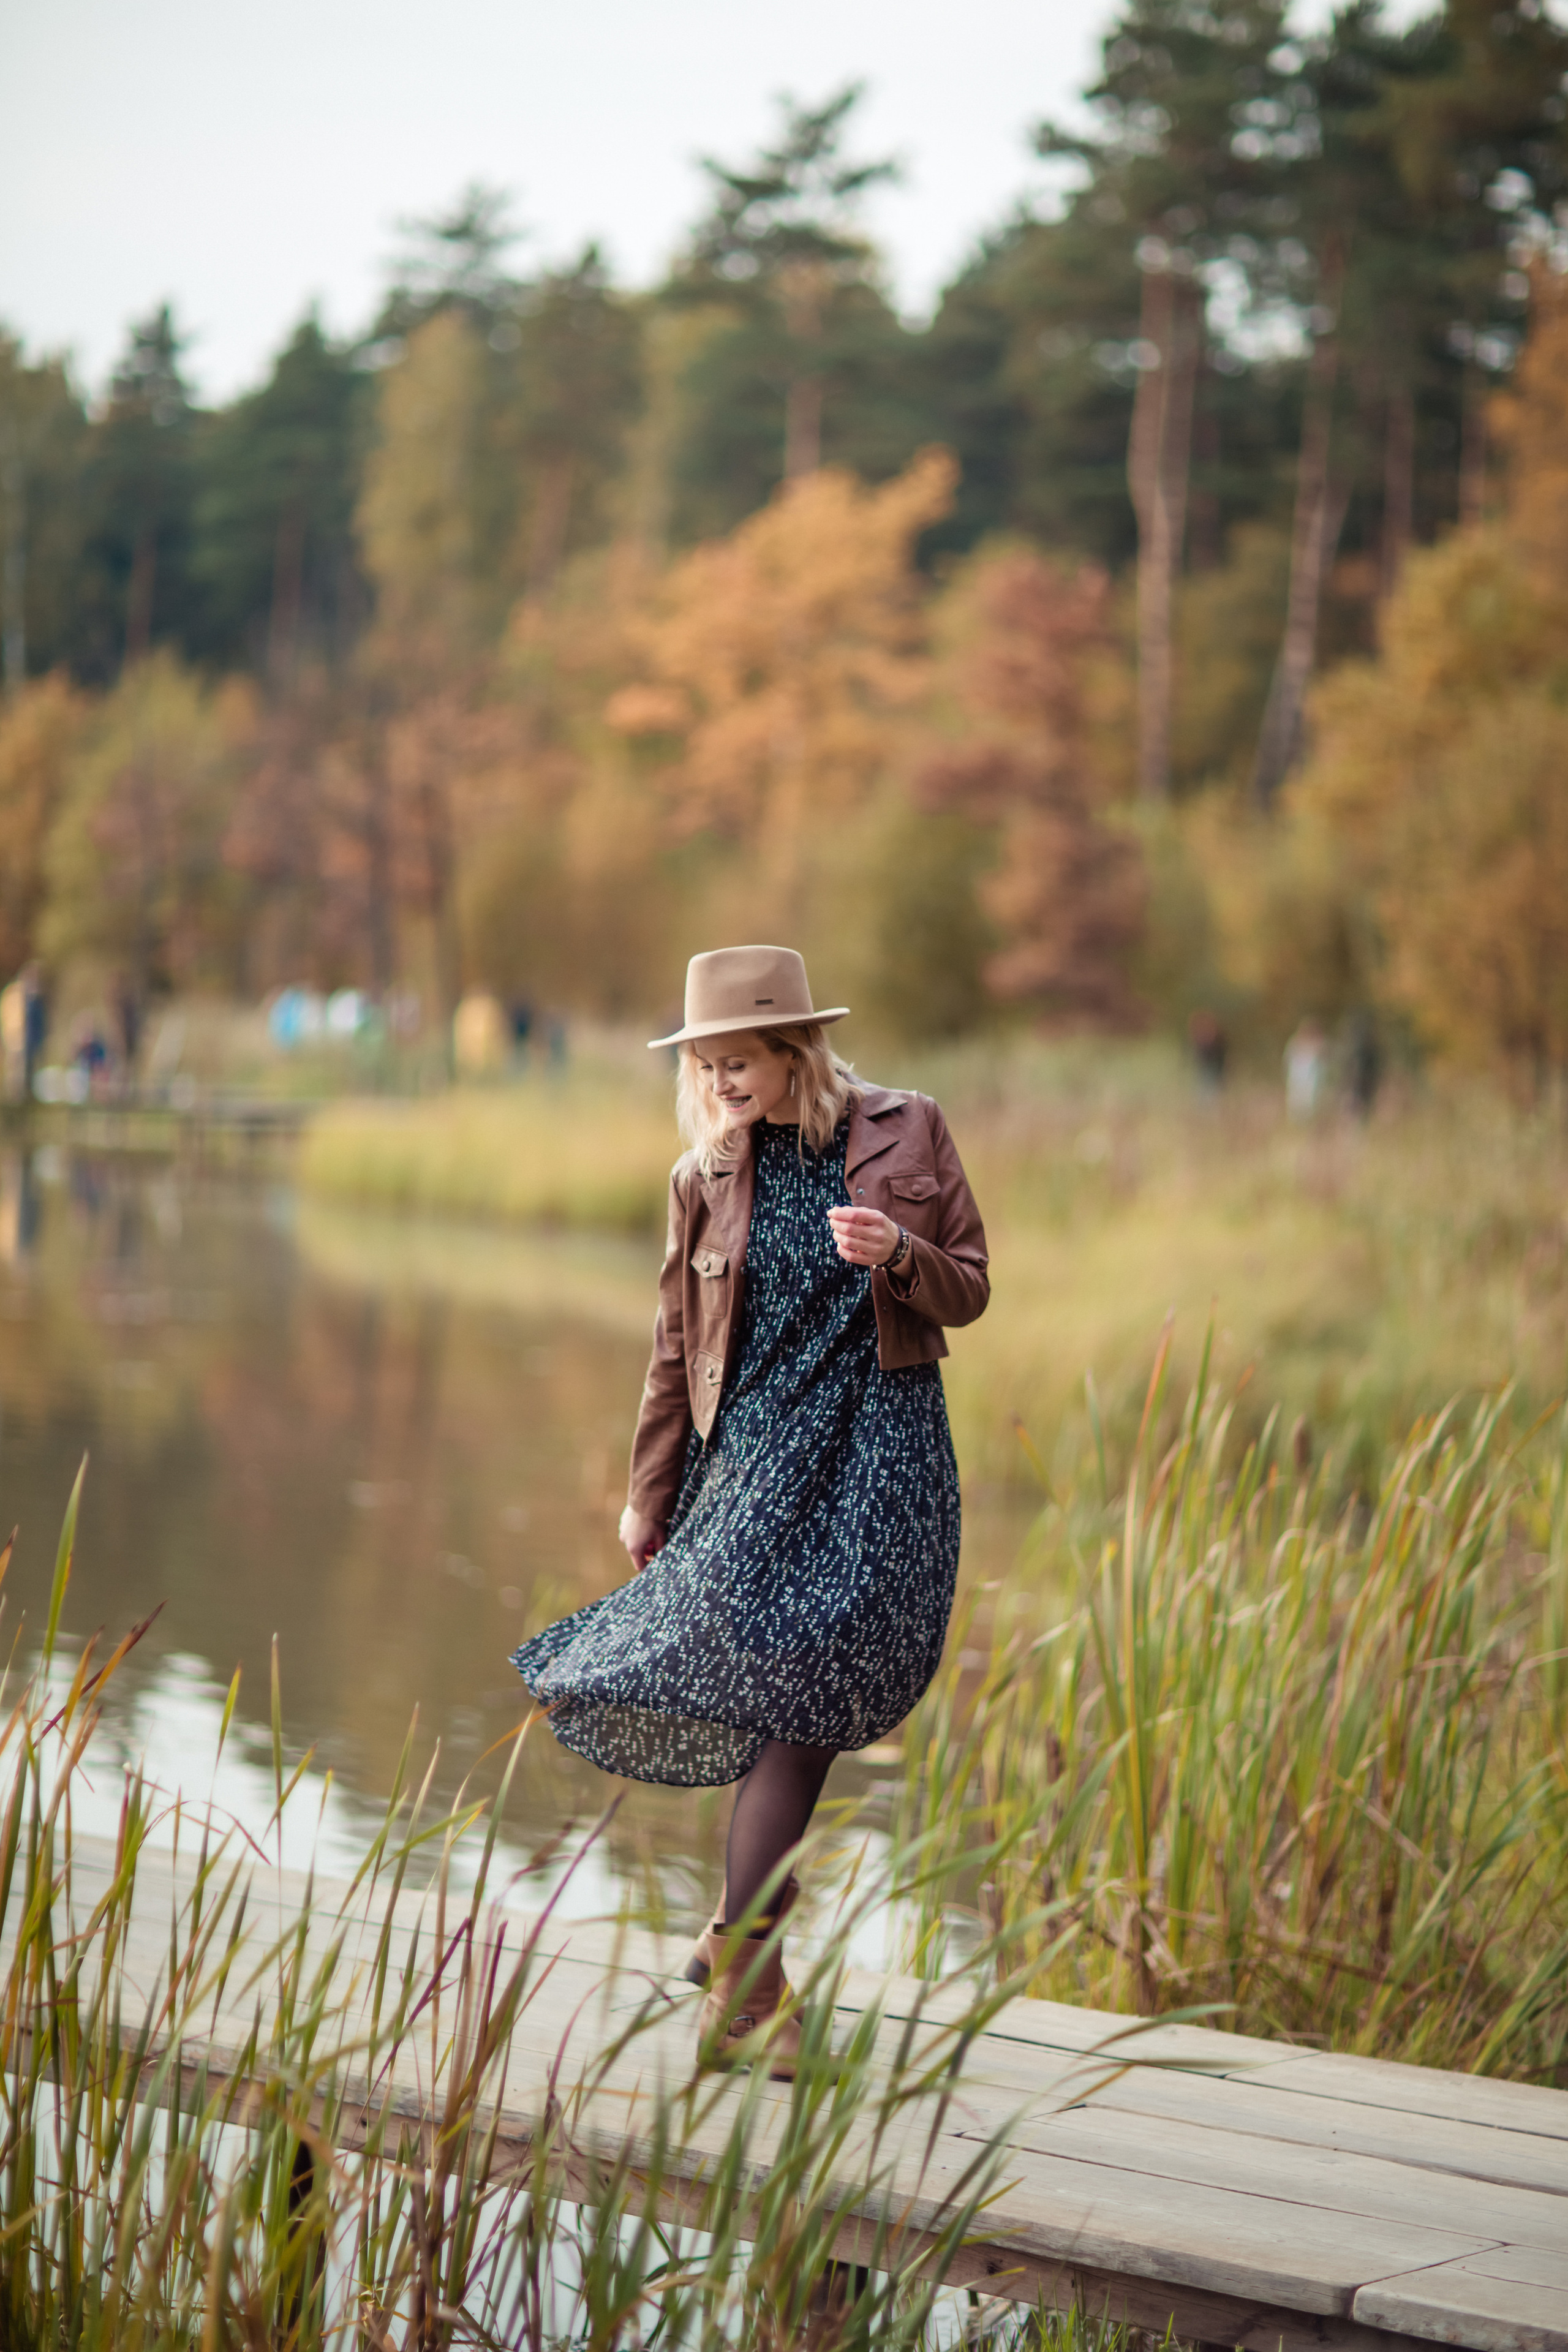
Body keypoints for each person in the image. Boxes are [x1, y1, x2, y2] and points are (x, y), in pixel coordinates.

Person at [511, 945, 989, 2075]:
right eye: (707, 1063)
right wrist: (649, 1495)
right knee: (797, 1697)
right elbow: (675, 1349)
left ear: (796, 1051)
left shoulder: (906, 1129)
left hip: (884, 1448)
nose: (722, 1082)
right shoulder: (703, 1179)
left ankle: (735, 1946)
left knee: (830, 1681)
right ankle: (746, 1980)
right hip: (762, 1465)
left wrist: (901, 1254)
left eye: (742, 1060)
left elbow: (970, 1281)